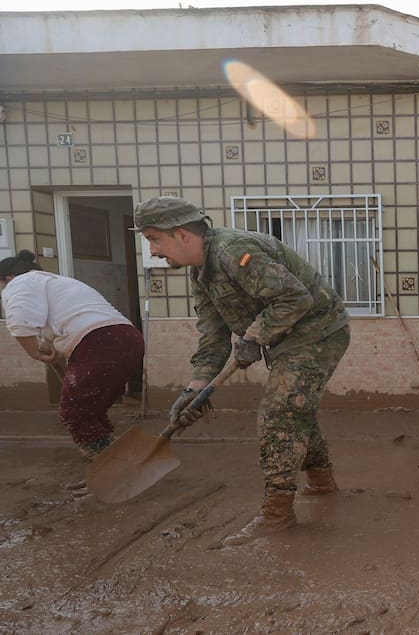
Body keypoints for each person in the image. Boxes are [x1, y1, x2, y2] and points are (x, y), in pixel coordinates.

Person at [132, 196, 350, 547]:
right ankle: (322, 483)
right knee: (296, 410)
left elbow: (295, 299)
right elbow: (213, 334)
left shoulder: (234, 252)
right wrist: (195, 387)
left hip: (316, 332)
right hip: (285, 338)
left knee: (281, 413)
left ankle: (277, 513)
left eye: (154, 239)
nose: (154, 251)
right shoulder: (201, 272)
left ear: (181, 234)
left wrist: (253, 337)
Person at [0, 250, 145, 473]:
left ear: (7, 278)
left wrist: (35, 354)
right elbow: (59, 323)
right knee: (92, 409)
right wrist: (51, 347)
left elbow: (21, 321)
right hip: (127, 338)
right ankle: (110, 453)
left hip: (99, 343)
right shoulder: (55, 282)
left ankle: (112, 467)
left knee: (74, 412)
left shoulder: (21, 282)